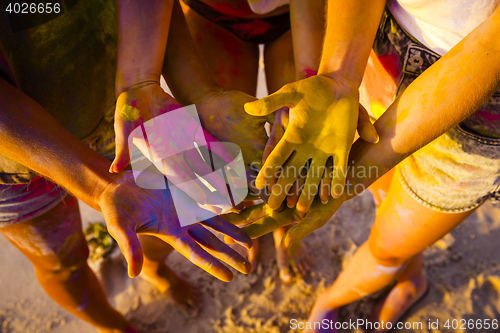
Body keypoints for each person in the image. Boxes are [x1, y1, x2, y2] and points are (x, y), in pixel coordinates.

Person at [0, 0, 268, 331]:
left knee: (163, 214)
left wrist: (168, 87)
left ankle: (156, 270)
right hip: (13, 152)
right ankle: (113, 325)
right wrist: (100, 186)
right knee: (61, 262)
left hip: (130, 108)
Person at [232, 0, 500, 331]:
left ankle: (332, 299)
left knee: (387, 248)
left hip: (484, 96)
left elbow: (492, 46)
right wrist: (339, 78)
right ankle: (411, 276)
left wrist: (354, 175)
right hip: (386, 47)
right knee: (384, 203)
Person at [179, 0, 379, 282]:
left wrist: (313, 79)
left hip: (296, 12)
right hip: (210, 13)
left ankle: (282, 224)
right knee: (229, 147)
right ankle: (248, 209)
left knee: (293, 140)